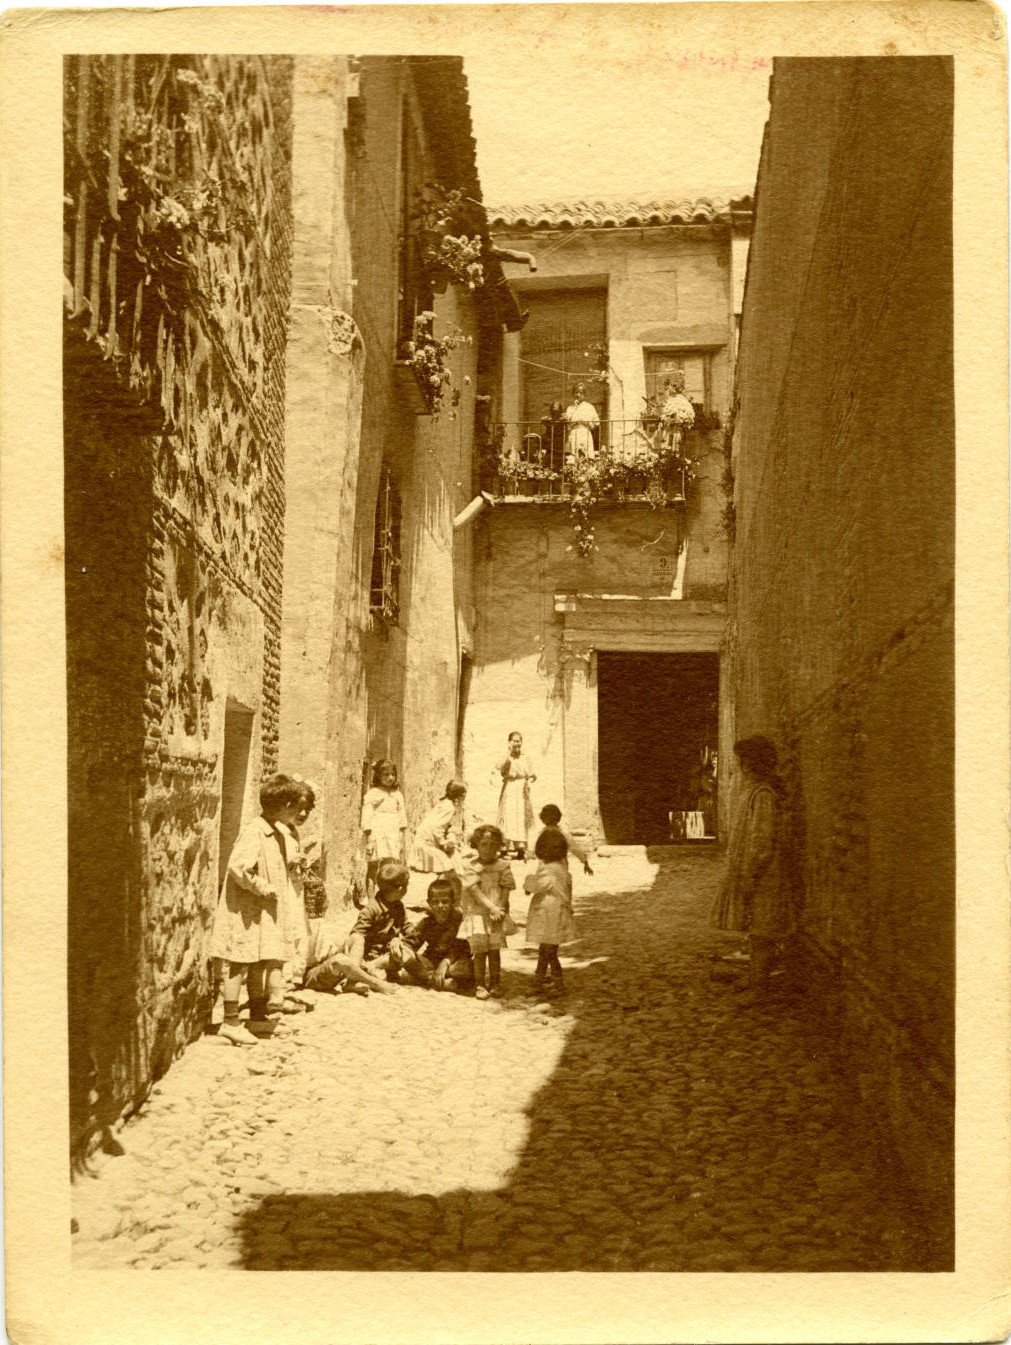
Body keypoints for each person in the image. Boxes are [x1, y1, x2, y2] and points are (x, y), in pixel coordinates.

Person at [210, 773, 303, 1045]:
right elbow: (239, 868)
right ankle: (230, 1021)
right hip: (246, 913)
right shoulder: (254, 831)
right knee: (239, 963)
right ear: (285, 805)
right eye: (295, 807)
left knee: (260, 963)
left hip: (263, 914)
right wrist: (263, 887)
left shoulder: (276, 833)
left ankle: (257, 1017)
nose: (298, 812)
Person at [711, 735, 794, 1004]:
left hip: (764, 875)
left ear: (753, 764)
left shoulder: (764, 796)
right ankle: (755, 976)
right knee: (755, 928)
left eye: (743, 762)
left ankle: (760, 988)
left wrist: (750, 873)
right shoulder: (755, 792)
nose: (740, 767)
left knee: (762, 933)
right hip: (754, 873)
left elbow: (762, 842)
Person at [459, 824, 516, 999]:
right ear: (476, 845)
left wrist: (500, 909)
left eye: (493, 844)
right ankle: (480, 984)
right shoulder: (470, 867)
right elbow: (475, 891)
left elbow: (506, 888)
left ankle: (495, 983)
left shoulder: (503, 866)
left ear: (499, 846)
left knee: (494, 950)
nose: (489, 848)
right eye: (484, 844)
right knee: (480, 951)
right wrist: (491, 908)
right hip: (478, 913)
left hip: (496, 913)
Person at [275, 778, 316, 1004]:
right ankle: (281, 983)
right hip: (283, 889)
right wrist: (290, 860)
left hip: (295, 889)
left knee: (298, 930)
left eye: (306, 811)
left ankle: (291, 981)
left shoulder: (291, 831)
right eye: (299, 809)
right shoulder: (278, 830)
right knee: (286, 931)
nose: (302, 814)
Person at [524, 826, 577, 997]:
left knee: (548, 951)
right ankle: (540, 980)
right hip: (558, 910)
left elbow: (538, 885)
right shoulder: (563, 869)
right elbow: (569, 889)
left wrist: (527, 883)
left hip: (548, 913)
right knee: (547, 949)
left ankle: (556, 982)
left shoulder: (548, 869)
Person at [345, 858, 413, 983]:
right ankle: (367, 967)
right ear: (400, 889)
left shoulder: (398, 906)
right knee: (391, 969)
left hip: (389, 952)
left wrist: (405, 937)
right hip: (370, 954)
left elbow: (406, 926)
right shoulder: (371, 910)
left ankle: (375, 969)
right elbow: (357, 936)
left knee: (406, 956)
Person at [401, 876, 473, 991]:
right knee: (402, 955)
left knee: (464, 968)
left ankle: (428, 979)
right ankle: (435, 980)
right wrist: (405, 950)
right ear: (429, 903)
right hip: (431, 962)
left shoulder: (459, 920)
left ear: (453, 902)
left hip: (453, 962)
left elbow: (464, 946)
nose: (440, 906)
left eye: (445, 902)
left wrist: (446, 962)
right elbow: (411, 942)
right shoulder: (427, 922)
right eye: (435, 902)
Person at [410, 780, 467, 895]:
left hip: (426, 838)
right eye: (464, 793)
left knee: (448, 869)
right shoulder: (449, 808)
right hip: (428, 841)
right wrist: (443, 843)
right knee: (448, 868)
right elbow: (437, 827)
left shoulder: (444, 803)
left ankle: (443, 896)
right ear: (459, 795)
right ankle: (438, 896)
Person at [360, 759, 408, 895]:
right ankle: (371, 900)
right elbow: (367, 816)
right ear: (378, 776)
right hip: (377, 833)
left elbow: (402, 818)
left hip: (392, 832)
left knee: (388, 868)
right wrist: (369, 839)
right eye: (386, 775)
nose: (390, 778)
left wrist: (401, 838)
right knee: (373, 866)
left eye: (392, 774)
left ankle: (386, 897)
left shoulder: (397, 795)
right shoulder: (373, 794)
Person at [494, 731, 535, 859]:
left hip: (522, 789)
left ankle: (520, 848)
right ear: (509, 742)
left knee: (520, 817)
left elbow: (533, 775)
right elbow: (499, 767)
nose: (517, 743)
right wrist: (508, 754)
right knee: (507, 816)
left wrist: (528, 782)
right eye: (514, 741)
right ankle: (504, 848)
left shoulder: (526, 757)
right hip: (510, 787)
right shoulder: (506, 756)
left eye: (519, 741)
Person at [536, 803, 594, 876]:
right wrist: (585, 862)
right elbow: (575, 848)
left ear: (543, 818)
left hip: (544, 868)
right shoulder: (564, 833)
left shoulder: (540, 833)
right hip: (561, 867)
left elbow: (534, 851)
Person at [563, 382, 600, 460]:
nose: (578, 395)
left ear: (584, 395)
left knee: (585, 455)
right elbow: (566, 422)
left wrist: (585, 422)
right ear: (573, 393)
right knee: (573, 456)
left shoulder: (589, 407)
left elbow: (596, 423)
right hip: (573, 433)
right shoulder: (570, 408)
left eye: (581, 393)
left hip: (584, 432)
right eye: (576, 392)